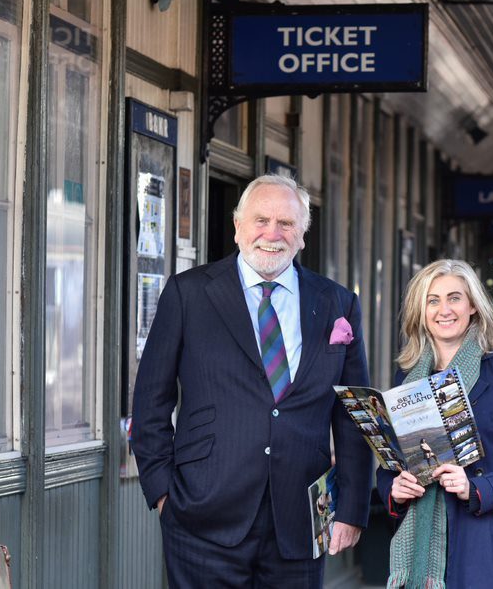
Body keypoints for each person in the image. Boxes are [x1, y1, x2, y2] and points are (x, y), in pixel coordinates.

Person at [132, 174, 373, 588]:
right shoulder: (188, 294)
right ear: (238, 226)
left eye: (286, 224)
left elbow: (353, 414)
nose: (272, 234)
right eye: (261, 220)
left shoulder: (336, 303)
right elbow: (150, 401)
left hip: (299, 520)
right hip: (203, 515)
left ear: (302, 236)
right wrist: (162, 494)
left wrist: (352, 508)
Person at [377, 259, 493, 589]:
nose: (444, 310)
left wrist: (476, 487)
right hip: (422, 547)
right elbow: (393, 465)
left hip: (492, 543)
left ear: (472, 305)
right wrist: (394, 490)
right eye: (433, 300)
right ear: (421, 311)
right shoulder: (407, 379)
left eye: (454, 298)